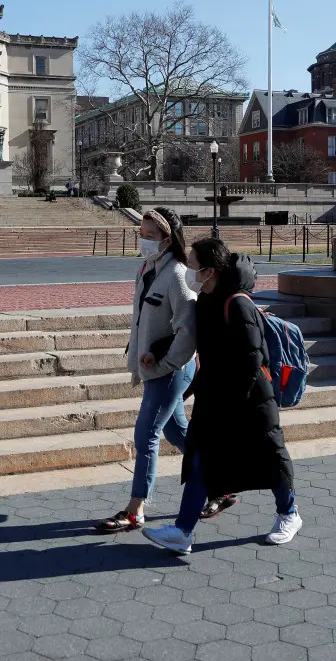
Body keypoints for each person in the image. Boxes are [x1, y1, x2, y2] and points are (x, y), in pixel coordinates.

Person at [142, 238, 300, 555]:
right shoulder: (205, 302)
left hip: (251, 400)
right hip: (217, 397)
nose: (188, 270)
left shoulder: (238, 304)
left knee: (271, 456)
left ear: (210, 270)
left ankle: (289, 514)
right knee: (201, 460)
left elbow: (253, 360)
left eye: (193, 264)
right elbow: (189, 335)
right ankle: (182, 532)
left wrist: (234, 403)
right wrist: (158, 352)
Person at [97, 207, 209, 533]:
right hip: (152, 368)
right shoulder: (147, 268)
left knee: (146, 433)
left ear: (167, 239)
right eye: (141, 234)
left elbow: (187, 331)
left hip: (170, 370)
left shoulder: (177, 274)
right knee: (178, 432)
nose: (143, 240)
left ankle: (135, 510)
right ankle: (220, 480)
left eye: (150, 236)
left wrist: (167, 363)